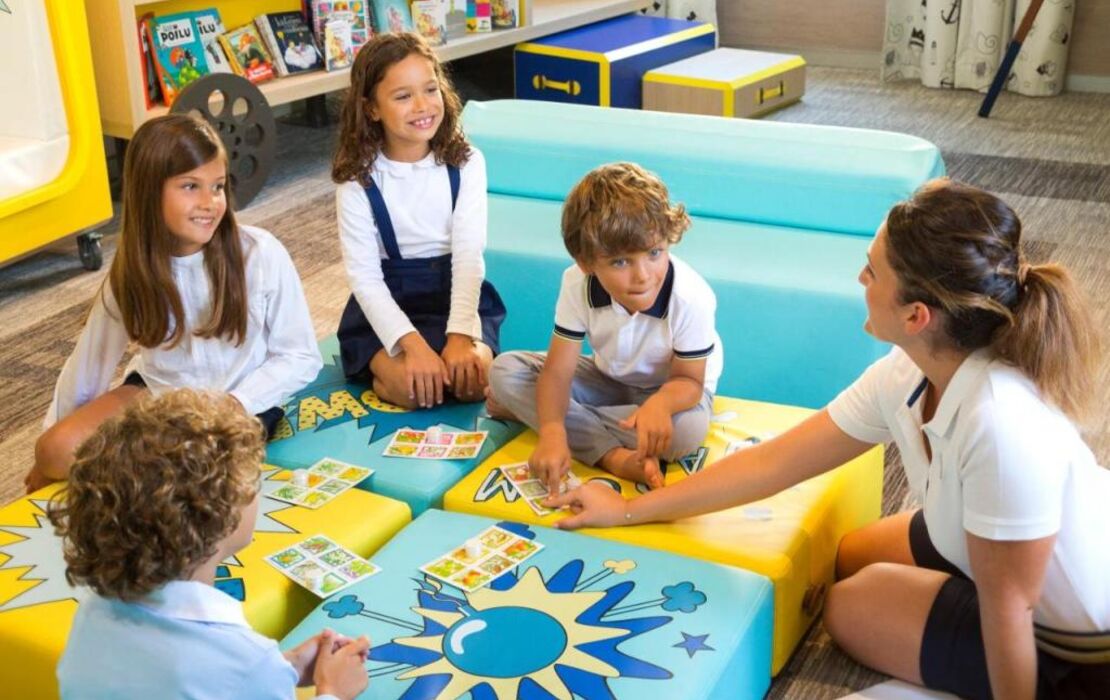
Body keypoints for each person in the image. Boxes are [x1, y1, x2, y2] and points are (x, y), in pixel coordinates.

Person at [546, 178, 1109, 699]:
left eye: (872, 272)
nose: (860, 281)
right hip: (985, 534)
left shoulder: (1001, 423)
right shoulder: (908, 369)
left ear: (916, 315)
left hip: (1076, 642)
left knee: (846, 609)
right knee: (848, 557)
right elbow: (772, 464)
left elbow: (1009, 608)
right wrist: (627, 510)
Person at [26, 114, 322, 493]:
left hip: (239, 403)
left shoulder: (259, 253)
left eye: (217, 186)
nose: (210, 202)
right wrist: (47, 453)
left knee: (177, 474)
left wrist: (236, 403)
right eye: (190, 186)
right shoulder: (131, 272)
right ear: (150, 192)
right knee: (53, 450)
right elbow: (87, 368)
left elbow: (300, 355)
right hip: (158, 394)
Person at [49, 389, 370, 699]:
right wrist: (333, 691)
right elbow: (226, 674)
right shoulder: (245, 662)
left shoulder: (93, 609)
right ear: (220, 516)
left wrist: (286, 666)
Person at [486, 162, 722, 494]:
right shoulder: (576, 283)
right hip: (609, 380)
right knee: (505, 370)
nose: (642, 275)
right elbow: (557, 372)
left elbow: (689, 382)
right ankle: (612, 456)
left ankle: (543, 413)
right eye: (620, 262)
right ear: (586, 263)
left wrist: (660, 405)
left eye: (655, 253)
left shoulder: (691, 296)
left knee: (683, 435)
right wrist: (552, 432)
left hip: (674, 389)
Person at [332, 32, 505, 410]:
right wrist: (412, 347)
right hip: (390, 300)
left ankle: (445, 354)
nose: (422, 106)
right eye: (402, 96)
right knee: (412, 391)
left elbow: (468, 254)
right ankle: (383, 369)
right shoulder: (357, 182)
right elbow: (365, 279)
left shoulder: (467, 162)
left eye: (430, 89)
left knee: (474, 383)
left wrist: (459, 336)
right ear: (372, 109)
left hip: (452, 292)